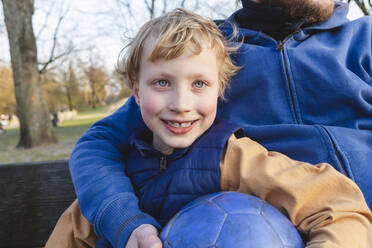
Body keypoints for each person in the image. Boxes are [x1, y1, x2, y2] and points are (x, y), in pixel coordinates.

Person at [46, 8, 372, 248]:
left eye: (199, 84)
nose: (181, 103)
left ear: (218, 88)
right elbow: (99, 145)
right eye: (162, 83)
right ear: (136, 89)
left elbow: (337, 207)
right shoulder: (211, 49)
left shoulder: (365, 37)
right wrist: (127, 224)